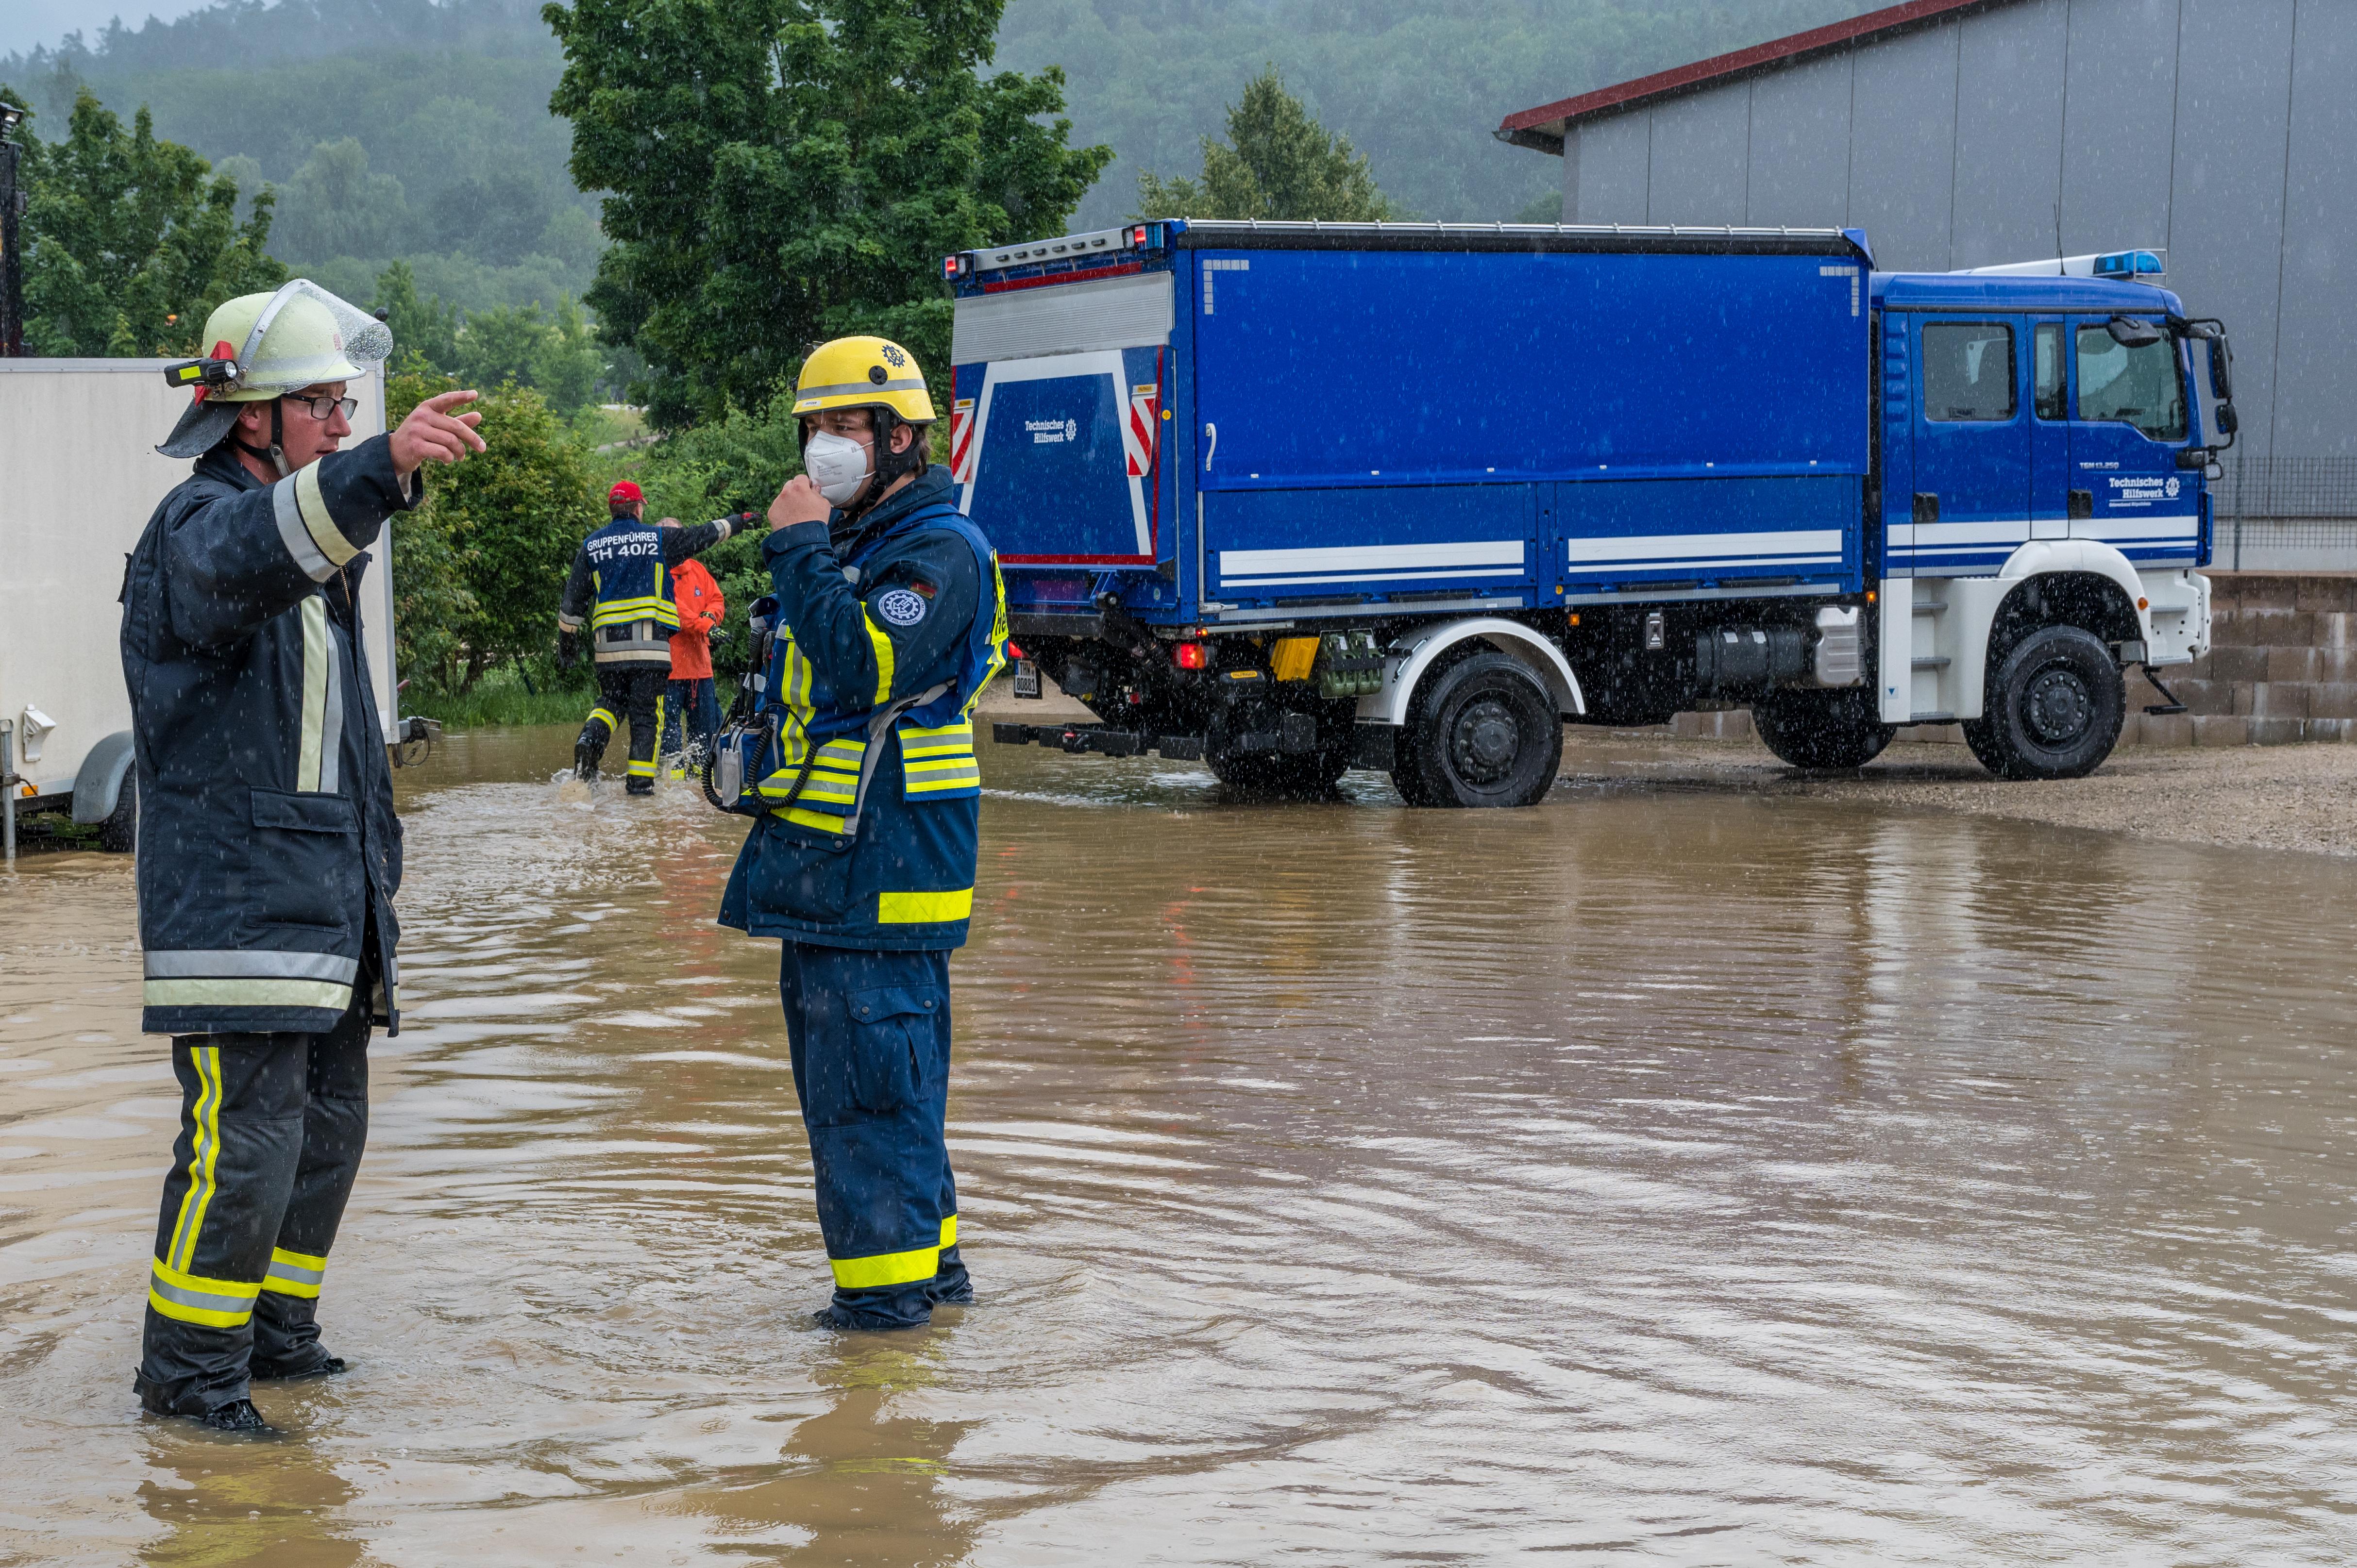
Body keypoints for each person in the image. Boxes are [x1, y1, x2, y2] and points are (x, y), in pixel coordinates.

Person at [127, 280, 487, 1434]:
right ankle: (191, 1382)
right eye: (320, 405)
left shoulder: (308, 554)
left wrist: (377, 879)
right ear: (251, 416)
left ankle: (277, 1341)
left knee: (325, 1131)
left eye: (346, 406)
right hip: (240, 907)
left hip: (325, 902)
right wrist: (377, 466)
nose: (340, 423)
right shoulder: (199, 528)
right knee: (246, 1145)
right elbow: (258, 545)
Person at [719, 335, 1008, 1330]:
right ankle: (933, 1290)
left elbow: (861, 667)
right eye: (814, 428)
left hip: (883, 882)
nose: (825, 447)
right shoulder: (859, 547)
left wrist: (798, 549)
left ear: (902, 438)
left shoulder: (938, 553)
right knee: (886, 1107)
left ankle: (881, 1333)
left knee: (867, 1109)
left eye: (846, 426)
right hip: (832, 877)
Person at [556, 482, 741, 795]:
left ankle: (590, 739)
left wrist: (567, 648)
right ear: (638, 508)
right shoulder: (655, 539)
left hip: (608, 649)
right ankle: (640, 790)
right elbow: (702, 535)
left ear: (612, 509)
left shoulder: (592, 545)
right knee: (646, 717)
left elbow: (572, 604)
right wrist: (738, 521)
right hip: (651, 648)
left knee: (611, 702)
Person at [657, 519, 725, 774]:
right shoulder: (656, 572)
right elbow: (674, 610)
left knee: (706, 736)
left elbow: (717, 599)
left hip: (700, 669)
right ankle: (671, 788)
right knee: (669, 739)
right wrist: (705, 626)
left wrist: (711, 617)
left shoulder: (698, 570)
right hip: (667, 670)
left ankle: (700, 787)